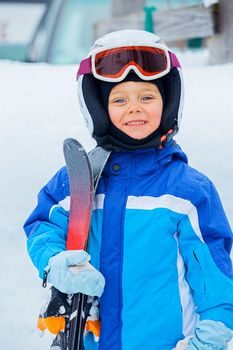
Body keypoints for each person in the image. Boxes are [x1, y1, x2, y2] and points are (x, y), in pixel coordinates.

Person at [24, 30, 233, 350]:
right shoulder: (77, 182)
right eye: (119, 99)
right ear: (97, 108)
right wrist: (55, 262)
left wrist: (208, 340)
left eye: (147, 97)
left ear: (168, 102)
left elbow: (215, 281)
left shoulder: (188, 192)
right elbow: (43, 226)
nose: (134, 108)